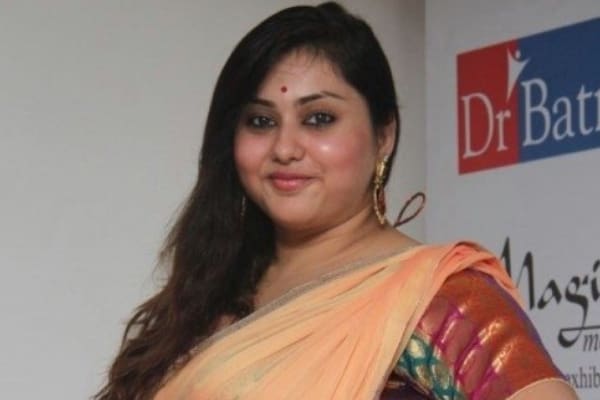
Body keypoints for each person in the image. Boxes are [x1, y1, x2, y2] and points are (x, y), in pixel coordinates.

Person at [94, 3, 578, 399]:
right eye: (261, 121)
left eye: (319, 119)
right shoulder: (210, 293)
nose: (285, 148)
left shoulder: (438, 299)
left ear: (383, 136)